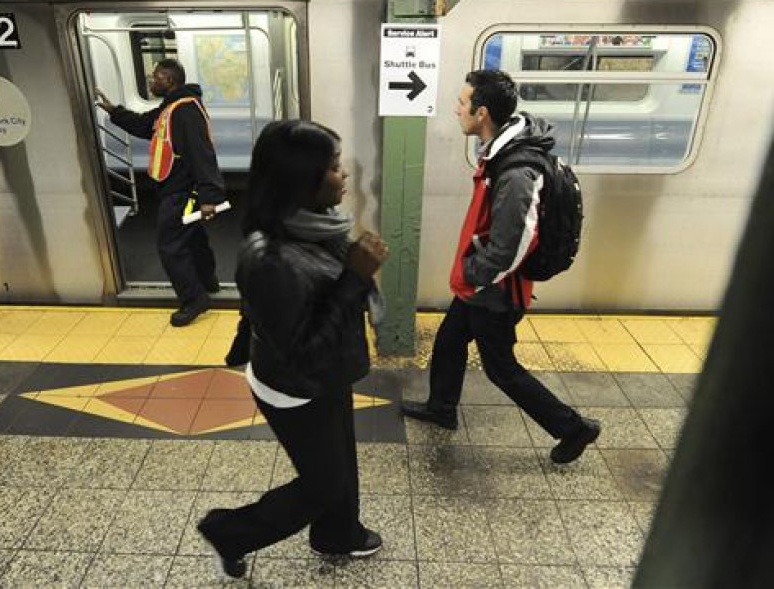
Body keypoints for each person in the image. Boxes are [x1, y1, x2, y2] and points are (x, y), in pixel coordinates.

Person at [197, 120, 389, 579]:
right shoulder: (270, 258)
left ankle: (337, 535)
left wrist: (351, 275)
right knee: (324, 484)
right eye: (335, 169)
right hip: (295, 387)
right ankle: (229, 532)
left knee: (341, 459)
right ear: (302, 180)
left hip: (328, 374)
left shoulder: (312, 228)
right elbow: (301, 352)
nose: (345, 177)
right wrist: (355, 278)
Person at [401, 69, 601, 464]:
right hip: (481, 287)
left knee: (503, 371)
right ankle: (441, 407)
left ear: (482, 113)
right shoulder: (500, 153)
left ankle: (574, 428)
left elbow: (513, 246)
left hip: (494, 292)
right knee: (449, 342)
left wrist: (474, 276)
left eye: (462, 103)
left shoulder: (516, 173)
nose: (457, 109)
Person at [95, 59, 226, 327]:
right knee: (192, 237)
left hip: (183, 191)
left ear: (169, 80)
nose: (151, 82)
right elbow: (145, 125)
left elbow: (201, 154)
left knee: (170, 246)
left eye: (155, 77)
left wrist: (209, 197)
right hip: (176, 188)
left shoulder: (185, 111)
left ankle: (194, 299)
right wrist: (114, 111)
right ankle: (208, 281)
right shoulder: (171, 107)